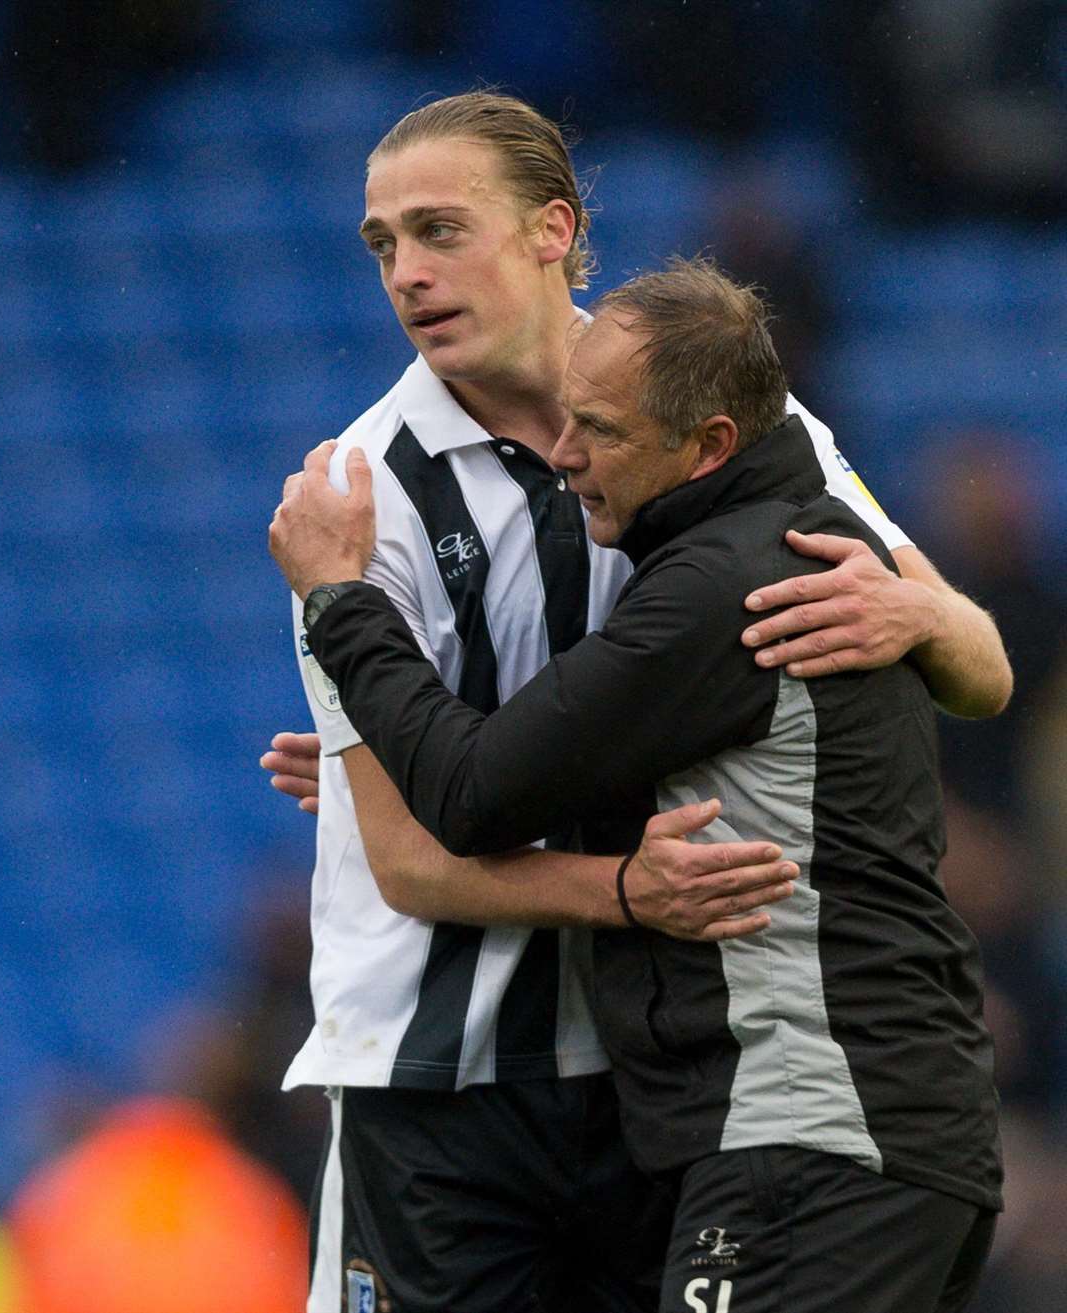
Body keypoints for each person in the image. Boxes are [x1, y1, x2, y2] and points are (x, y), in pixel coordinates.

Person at [263, 93, 1010, 1313]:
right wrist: (626, 890)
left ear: (553, 229)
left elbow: (981, 671)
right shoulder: (351, 508)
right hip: (436, 1084)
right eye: (381, 243)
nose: (407, 273)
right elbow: (406, 859)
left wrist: (930, 617)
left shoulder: (715, 425)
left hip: (652, 1089)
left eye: (442, 230)